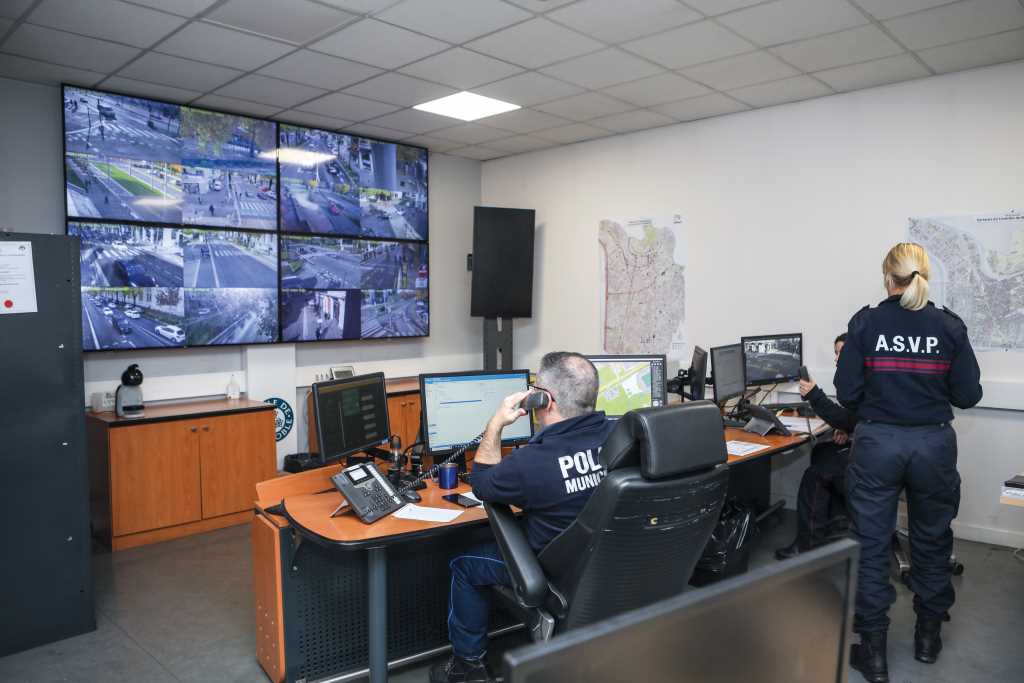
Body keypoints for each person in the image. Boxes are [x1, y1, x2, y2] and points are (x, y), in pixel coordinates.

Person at [835, 243, 982, 683]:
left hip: (878, 442)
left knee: (871, 543)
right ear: (924, 275)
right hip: (933, 445)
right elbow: (968, 395)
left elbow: (847, 392)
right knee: (932, 539)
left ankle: (875, 655)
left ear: (887, 278)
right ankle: (927, 641)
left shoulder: (866, 323)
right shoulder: (949, 325)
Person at [429, 352, 614, 683]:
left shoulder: (534, 461)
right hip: (603, 561)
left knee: (464, 563)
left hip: (553, 566)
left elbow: (483, 483)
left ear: (545, 400)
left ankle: (467, 667)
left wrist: (497, 422)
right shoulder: (616, 438)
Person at [775, 333, 858, 560]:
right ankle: (836, 520)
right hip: (880, 445)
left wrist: (814, 395)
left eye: (841, 352)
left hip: (872, 455)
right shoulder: (861, 377)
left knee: (815, 476)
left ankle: (807, 547)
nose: (837, 358)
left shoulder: (860, 379)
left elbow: (850, 417)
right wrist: (847, 429)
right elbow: (856, 418)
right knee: (822, 451)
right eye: (835, 353)